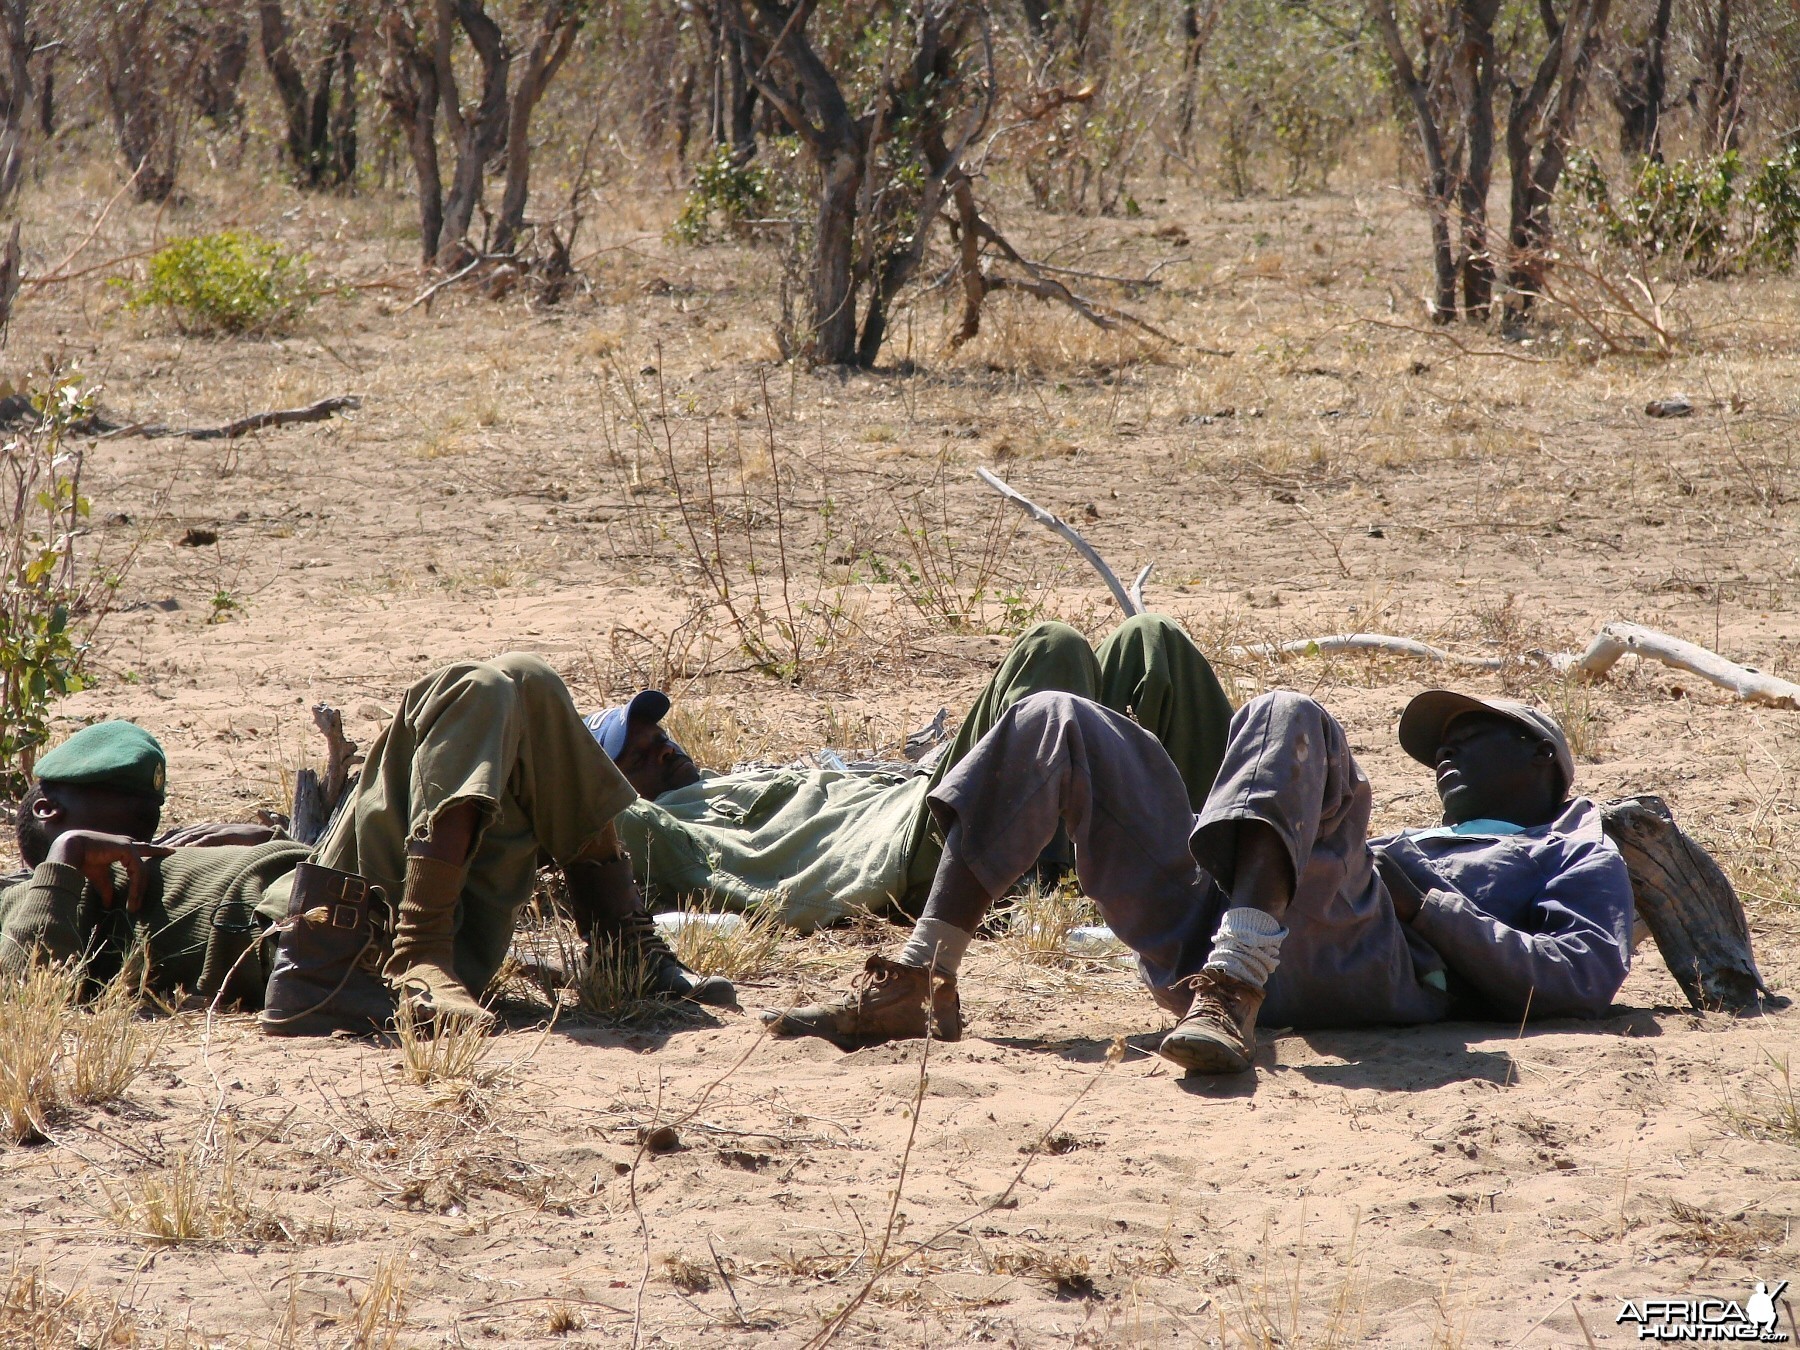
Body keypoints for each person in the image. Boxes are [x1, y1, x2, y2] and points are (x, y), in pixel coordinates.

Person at [764, 686, 1635, 1077]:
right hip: (1238, 921)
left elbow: (1585, 973)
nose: (1447, 747)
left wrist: (1425, 905)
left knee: (1288, 713)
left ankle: (1233, 986)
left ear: (1541, 758)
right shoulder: (1417, 834)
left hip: (1373, 962)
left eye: (1475, 732)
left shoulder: (1569, 841)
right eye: (1445, 737)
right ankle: (921, 976)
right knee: (1053, 717)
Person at [1, 655, 732, 1030]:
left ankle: (622, 946)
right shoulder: (28, 891)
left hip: (394, 917)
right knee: (466, 688)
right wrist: (61, 869)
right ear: (41, 809)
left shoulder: (169, 852)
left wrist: (256, 844)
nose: (127, 839)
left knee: (528, 679)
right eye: (98, 820)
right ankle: (419, 954)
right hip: (327, 954)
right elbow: (24, 992)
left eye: (140, 822)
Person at [590, 615, 1236, 930]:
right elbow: (587, 812)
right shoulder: (656, 827)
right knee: (1053, 648)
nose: (665, 754)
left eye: (662, 739)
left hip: (923, 802)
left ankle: (1242, 856)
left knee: (1151, 642)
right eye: (640, 759)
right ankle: (1046, 869)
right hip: (921, 844)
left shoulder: (738, 778)